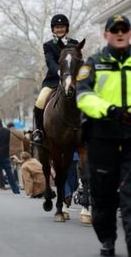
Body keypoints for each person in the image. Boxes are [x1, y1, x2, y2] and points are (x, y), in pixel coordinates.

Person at [76, 14, 131, 256]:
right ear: (106, 34)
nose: (120, 33)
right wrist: (108, 110)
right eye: (115, 30)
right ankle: (107, 238)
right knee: (103, 194)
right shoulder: (93, 63)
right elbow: (83, 95)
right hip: (102, 136)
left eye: (124, 29)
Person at [32, 14, 79, 144]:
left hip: (73, 79)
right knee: (40, 100)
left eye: (62, 27)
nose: (59, 30)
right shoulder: (48, 45)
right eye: (57, 27)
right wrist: (60, 72)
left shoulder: (74, 43)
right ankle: (39, 131)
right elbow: (50, 61)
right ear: (53, 29)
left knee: (85, 96)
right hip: (53, 80)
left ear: (66, 28)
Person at [7, 122, 25, 188]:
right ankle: (21, 184)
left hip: (10, 152)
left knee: (11, 168)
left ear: (8, 127)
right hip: (19, 152)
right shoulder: (20, 132)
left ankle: (12, 183)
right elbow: (24, 138)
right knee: (19, 168)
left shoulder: (7, 133)